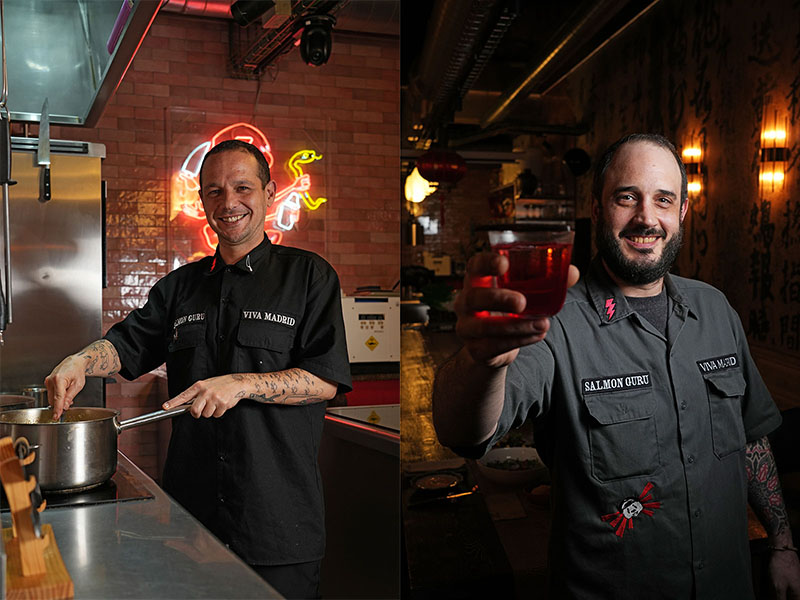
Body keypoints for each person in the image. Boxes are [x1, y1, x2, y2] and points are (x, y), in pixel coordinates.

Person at [433, 133, 800, 599]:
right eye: (627, 197)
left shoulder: (715, 310)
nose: (646, 217)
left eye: (663, 199)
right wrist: (481, 361)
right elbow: (465, 434)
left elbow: (751, 439)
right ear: (597, 207)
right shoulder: (552, 320)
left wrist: (783, 543)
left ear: (682, 213)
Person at [45, 139, 352, 599]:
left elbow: (325, 380)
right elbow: (126, 345)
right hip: (191, 520)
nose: (228, 203)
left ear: (270, 194)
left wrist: (241, 384)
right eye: (214, 191)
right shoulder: (179, 288)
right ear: (202, 200)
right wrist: (80, 361)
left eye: (242, 188)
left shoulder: (309, 277)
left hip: (277, 522)